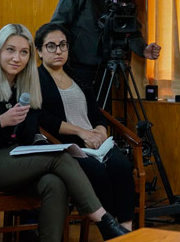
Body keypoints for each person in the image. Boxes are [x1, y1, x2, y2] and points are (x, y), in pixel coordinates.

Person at [0, 24, 130, 242]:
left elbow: (31, 131)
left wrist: (42, 143)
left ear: (30, 55)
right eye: (10, 50)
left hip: (19, 156)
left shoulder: (27, 83)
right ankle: (104, 222)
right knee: (61, 158)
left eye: (23, 52)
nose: (16, 58)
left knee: (54, 184)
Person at [35, 23, 135, 230]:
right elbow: (44, 119)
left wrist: (100, 130)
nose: (59, 51)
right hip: (67, 144)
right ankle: (111, 226)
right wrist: (80, 132)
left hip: (96, 141)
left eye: (63, 45)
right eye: (51, 46)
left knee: (122, 166)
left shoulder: (77, 76)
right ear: (39, 51)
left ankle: (126, 227)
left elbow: (95, 112)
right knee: (96, 172)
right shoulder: (36, 80)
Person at [51, 0, 161, 91]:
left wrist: (143, 49)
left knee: (102, 110)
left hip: (107, 66)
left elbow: (130, 30)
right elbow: (57, 25)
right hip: (78, 65)